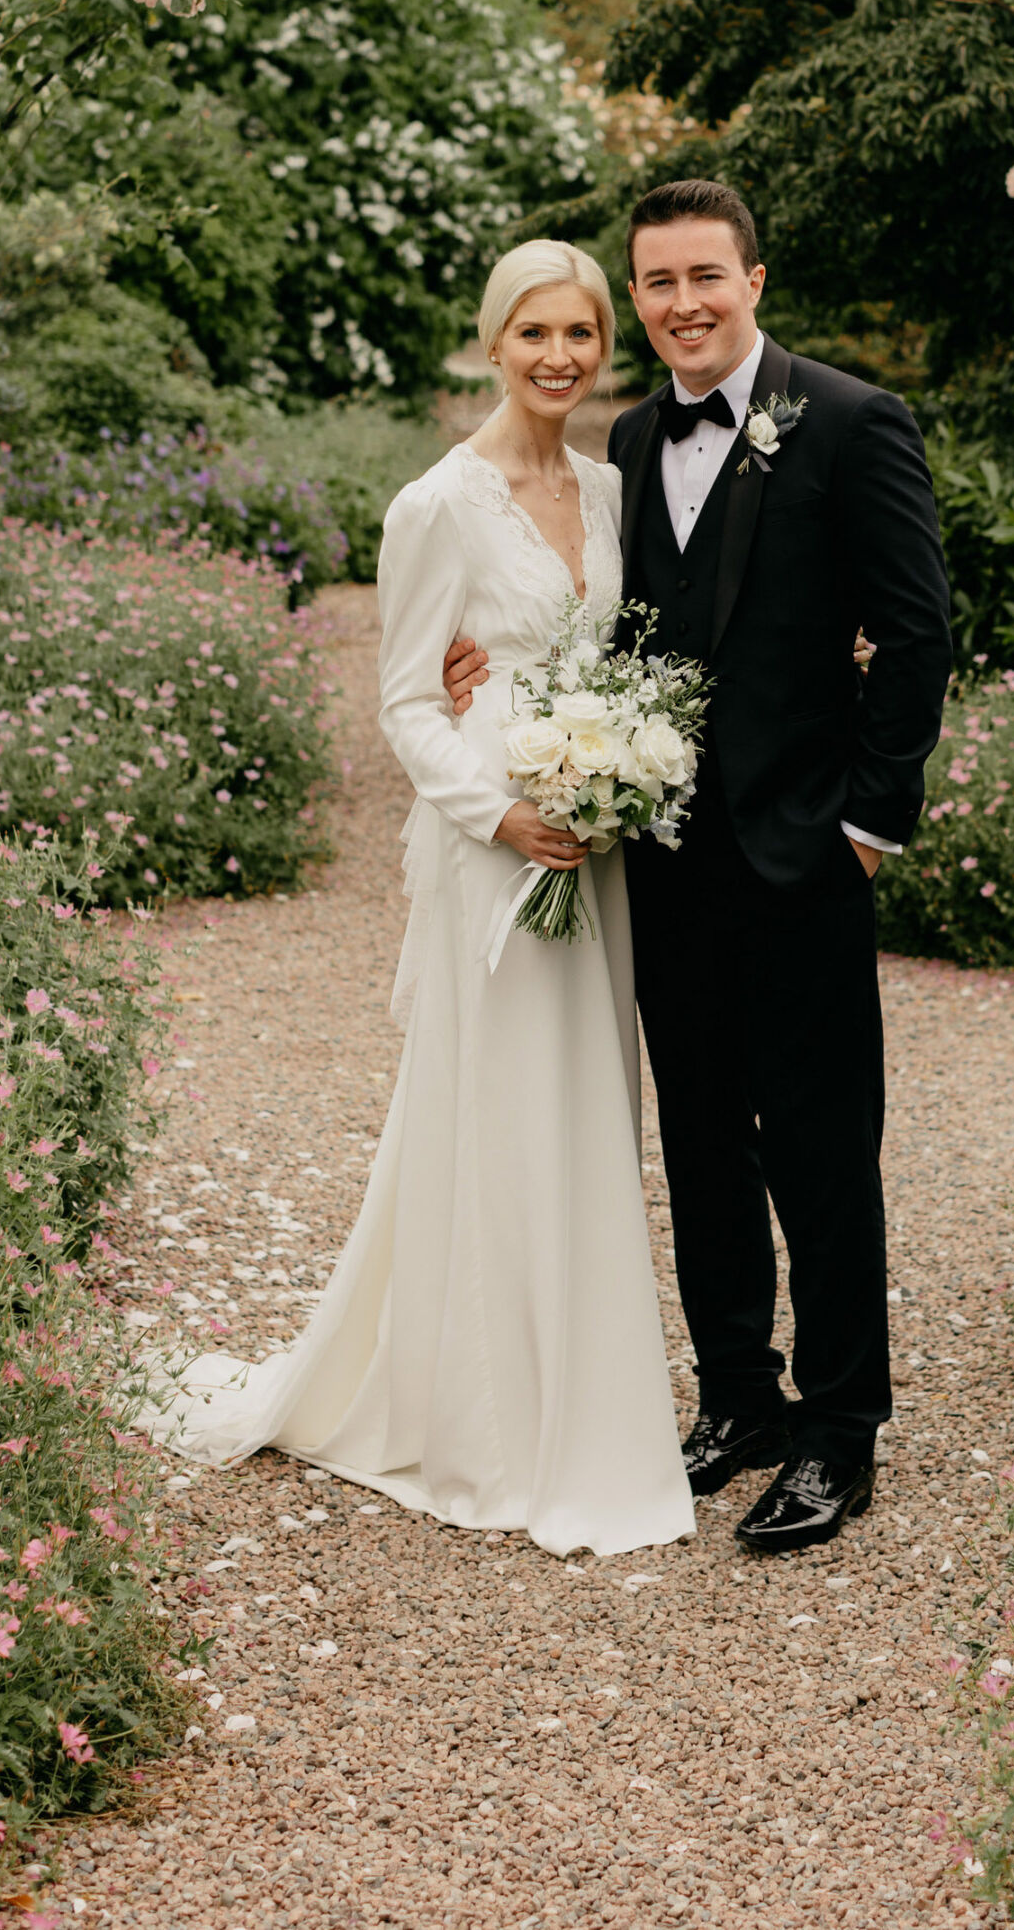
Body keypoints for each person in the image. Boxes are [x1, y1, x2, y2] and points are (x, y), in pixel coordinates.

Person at [143, 239, 694, 1562]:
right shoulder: (435, 504)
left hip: (596, 839)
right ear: (491, 341)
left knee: (587, 1107)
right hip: (495, 846)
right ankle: (492, 1423)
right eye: (533, 335)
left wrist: (617, 772)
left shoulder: (616, 491)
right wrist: (503, 812)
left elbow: (624, 655)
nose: (559, 358)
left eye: (579, 334)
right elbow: (403, 700)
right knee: (496, 1108)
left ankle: (595, 1402)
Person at [446, 179, 954, 1552]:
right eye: (656, 284)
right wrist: (493, 681)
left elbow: (919, 635)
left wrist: (867, 824)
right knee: (702, 1146)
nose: (680, 306)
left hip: (803, 861)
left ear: (753, 280)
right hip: (661, 867)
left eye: (702, 279)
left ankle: (842, 1432)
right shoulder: (625, 436)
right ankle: (740, 1398)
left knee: (823, 1154)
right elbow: (609, 629)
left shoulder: (850, 423)